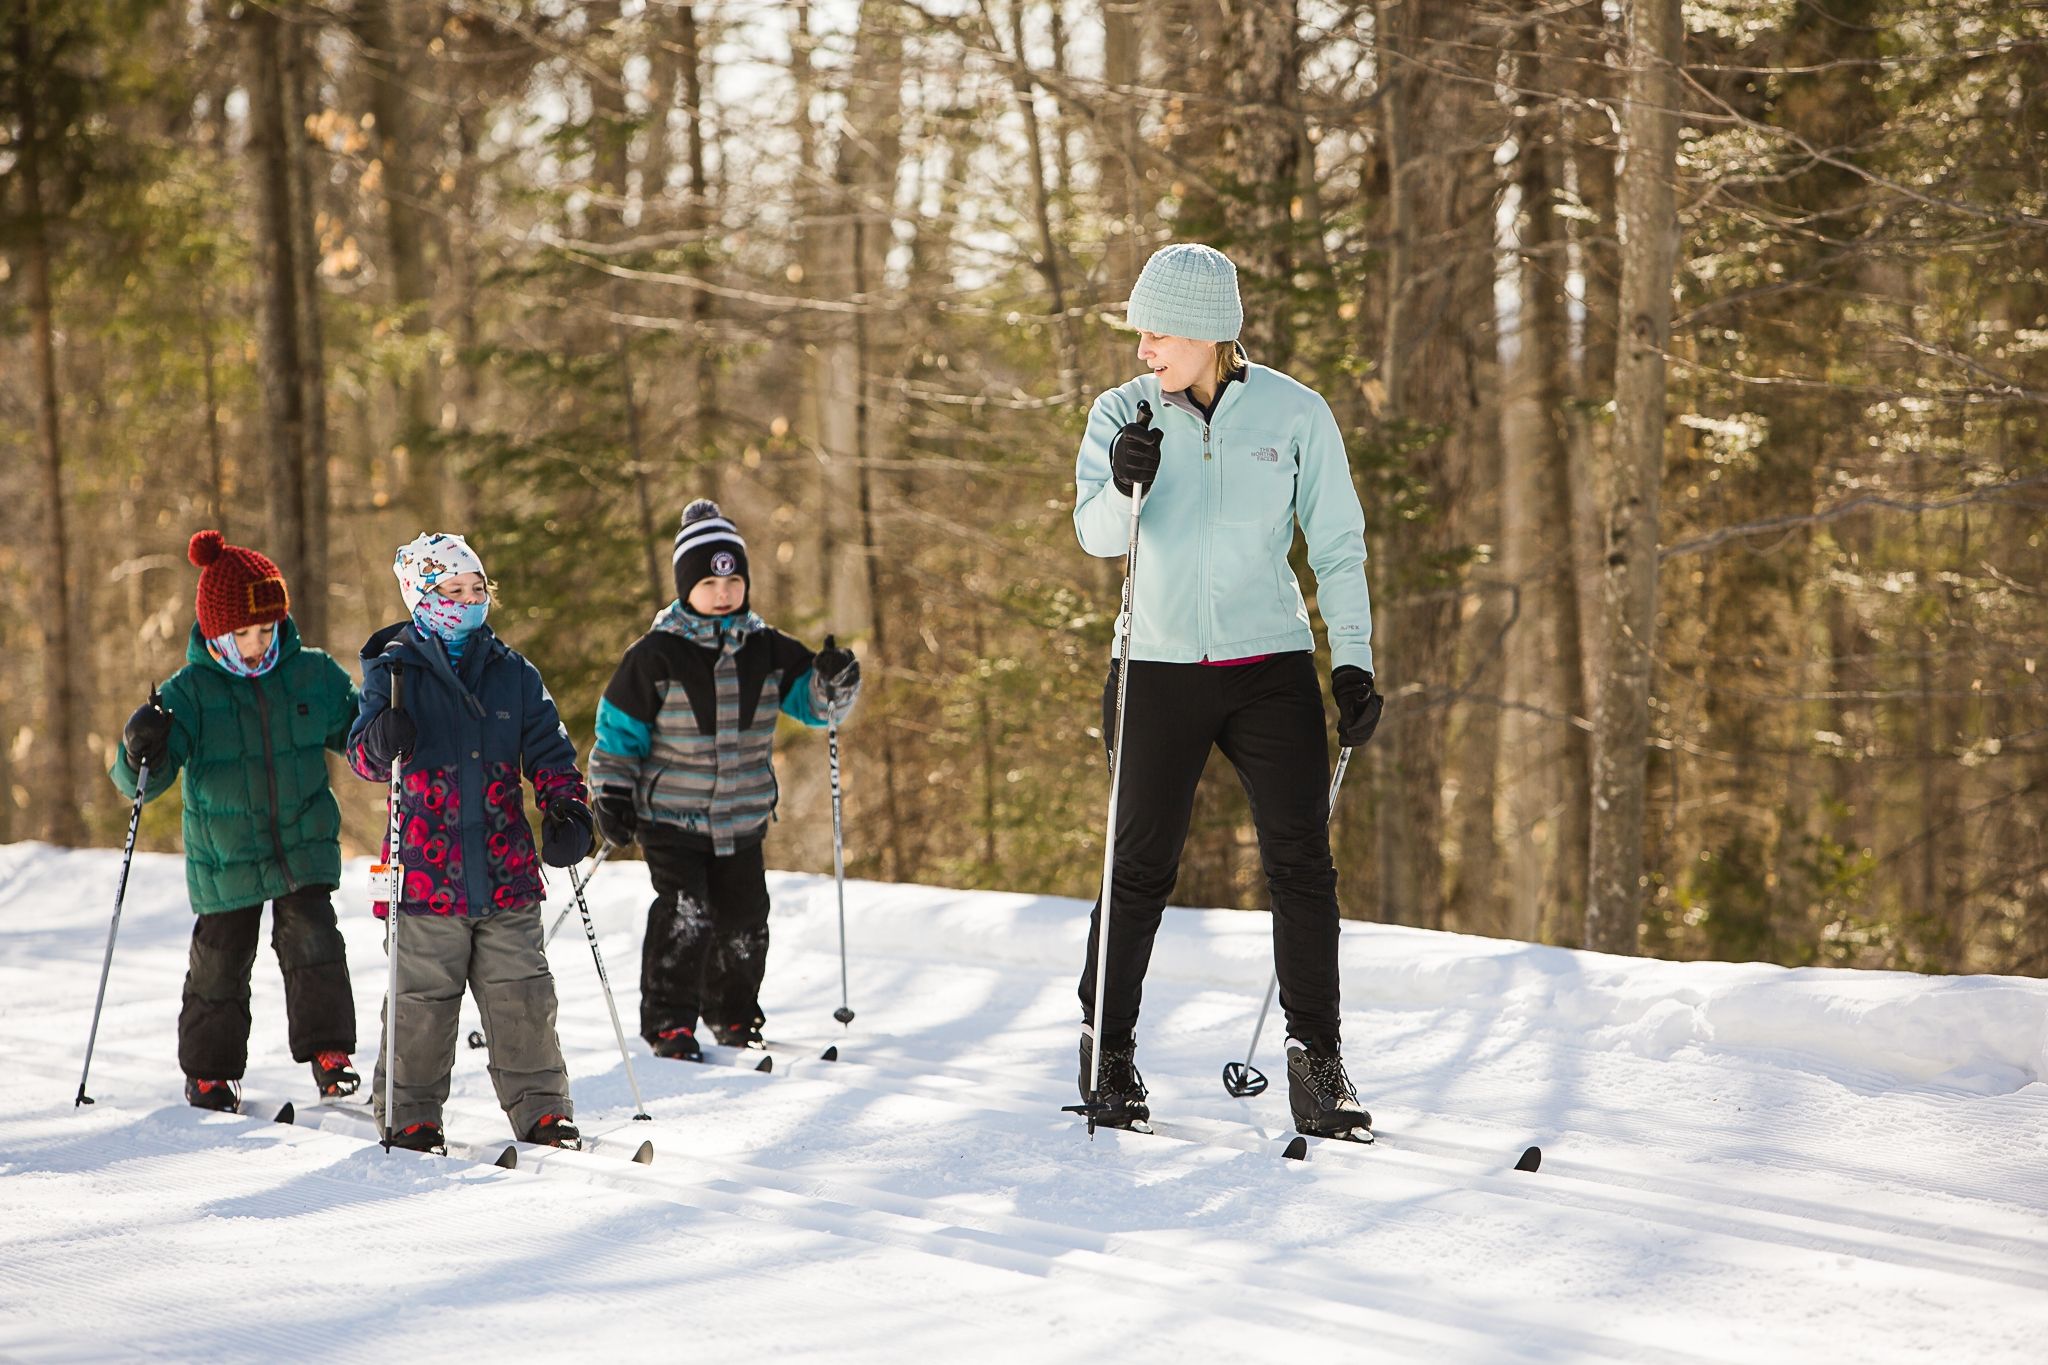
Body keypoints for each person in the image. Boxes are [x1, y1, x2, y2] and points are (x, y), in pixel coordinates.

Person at [1071, 243, 1386, 1137]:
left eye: (1157, 332)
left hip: (1269, 665)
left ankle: (1316, 1058)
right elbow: (1095, 534)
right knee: (1136, 869)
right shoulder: (1120, 413)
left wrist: (1352, 659)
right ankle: (1111, 1052)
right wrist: (1126, 479)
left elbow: (1338, 541)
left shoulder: (1295, 413)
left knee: (1303, 866)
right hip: (1156, 668)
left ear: (1209, 334)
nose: (1142, 349)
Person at [588, 499, 860, 1061]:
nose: (723, 591)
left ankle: (734, 1014)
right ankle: (669, 1022)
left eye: (734, 578)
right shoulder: (655, 655)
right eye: (710, 582)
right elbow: (617, 735)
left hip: (742, 816)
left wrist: (835, 680)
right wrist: (611, 795)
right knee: (687, 913)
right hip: (670, 816)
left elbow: (814, 706)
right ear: (686, 585)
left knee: (745, 920)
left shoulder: (767, 648)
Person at [348, 532, 594, 1153]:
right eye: (453, 590)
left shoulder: (513, 672)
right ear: (421, 598)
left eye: (477, 588)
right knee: (421, 1003)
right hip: (424, 874)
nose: (469, 600)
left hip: (505, 867)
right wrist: (381, 741)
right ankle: (410, 1115)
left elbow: (550, 750)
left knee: (524, 996)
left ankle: (543, 1110)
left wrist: (566, 805)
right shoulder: (393, 671)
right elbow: (362, 756)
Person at [112, 530, 362, 1113]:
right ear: (216, 631)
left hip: (302, 842)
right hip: (225, 855)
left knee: (314, 942)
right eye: (243, 633)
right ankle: (209, 1071)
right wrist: (138, 750)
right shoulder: (190, 693)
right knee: (221, 961)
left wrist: (385, 734)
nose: (256, 644)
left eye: (267, 629)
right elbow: (146, 780)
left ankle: (330, 1055)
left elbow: (359, 738)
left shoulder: (312, 675)